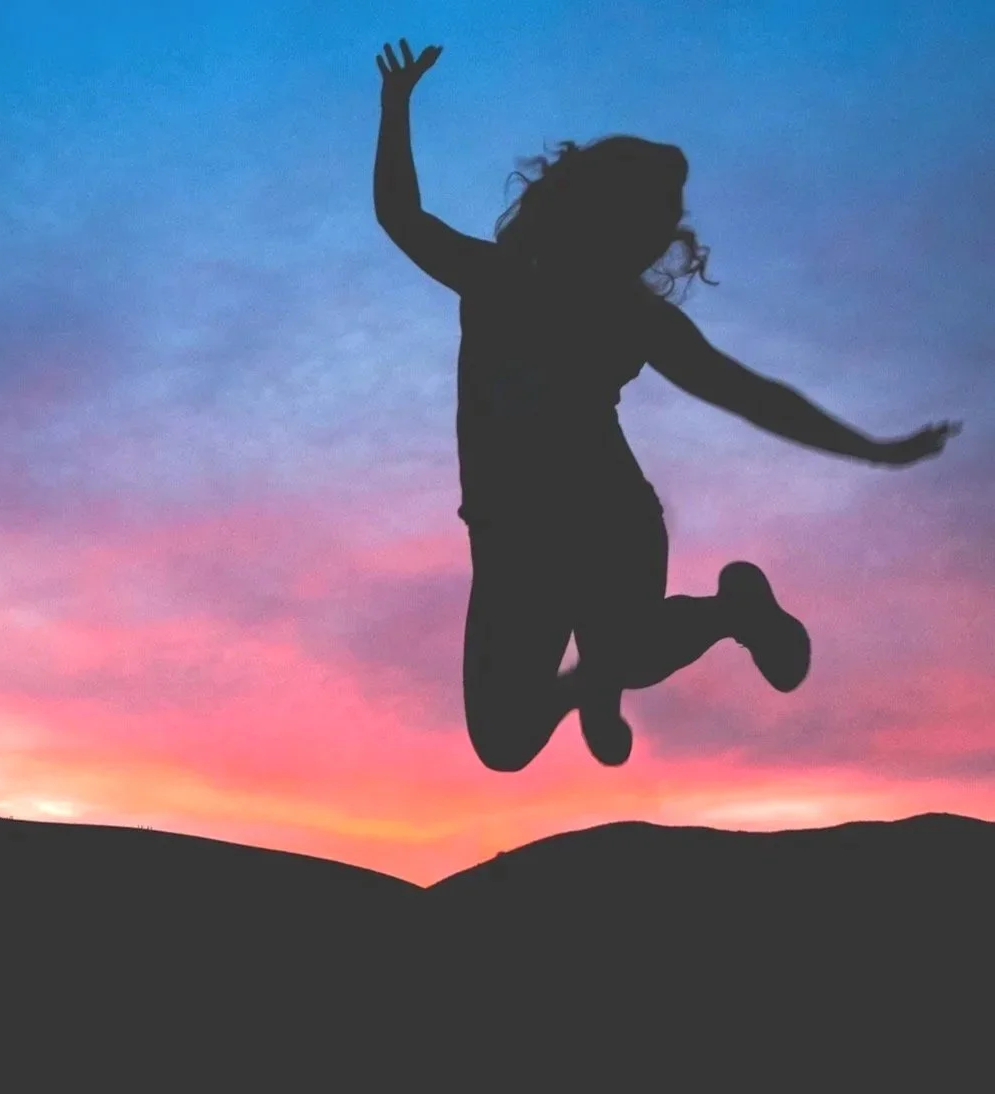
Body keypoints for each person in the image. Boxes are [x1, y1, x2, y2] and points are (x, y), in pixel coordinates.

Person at [372, 38, 960, 770]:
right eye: (651, 221)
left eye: (661, 224)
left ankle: (725, 615)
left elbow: (748, 395)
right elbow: (399, 216)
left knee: (628, 648)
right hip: (507, 533)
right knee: (503, 742)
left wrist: (873, 449)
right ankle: (595, 682)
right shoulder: (499, 278)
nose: (658, 239)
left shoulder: (628, 314)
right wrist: (394, 106)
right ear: (600, 215)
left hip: (602, 513)